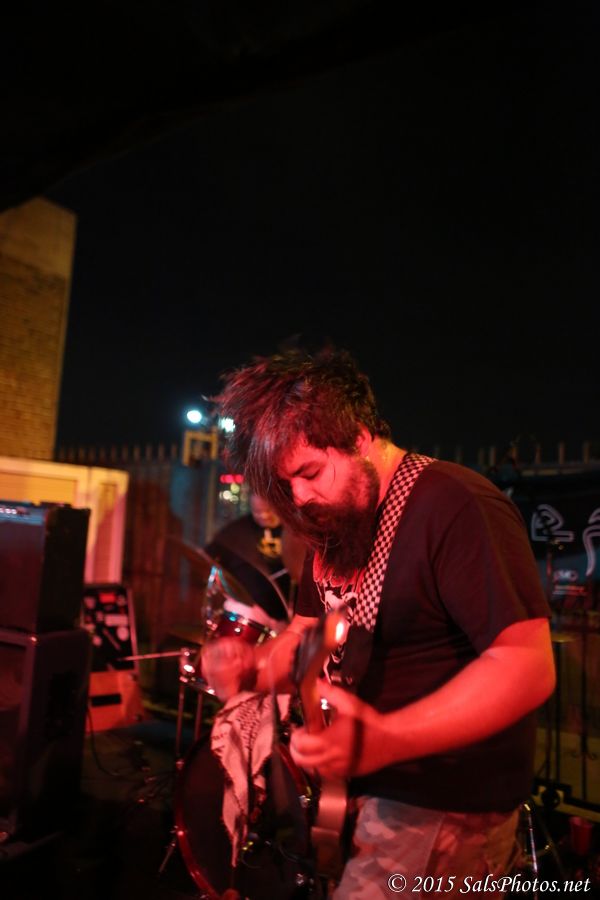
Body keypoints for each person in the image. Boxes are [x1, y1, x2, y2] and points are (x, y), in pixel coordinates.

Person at [201, 346, 556, 898]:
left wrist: (387, 739)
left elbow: (526, 665)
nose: (300, 497)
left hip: (444, 805)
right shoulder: (337, 523)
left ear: (359, 437)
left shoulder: (456, 505)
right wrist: (251, 666)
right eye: (286, 484)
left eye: (310, 472)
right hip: (365, 794)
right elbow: (304, 636)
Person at [204, 491, 302, 633]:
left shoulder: (294, 531)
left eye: (268, 511)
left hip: (289, 614)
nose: (264, 516)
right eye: (257, 512)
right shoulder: (237, 530)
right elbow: (208, 557)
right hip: (252, 612)